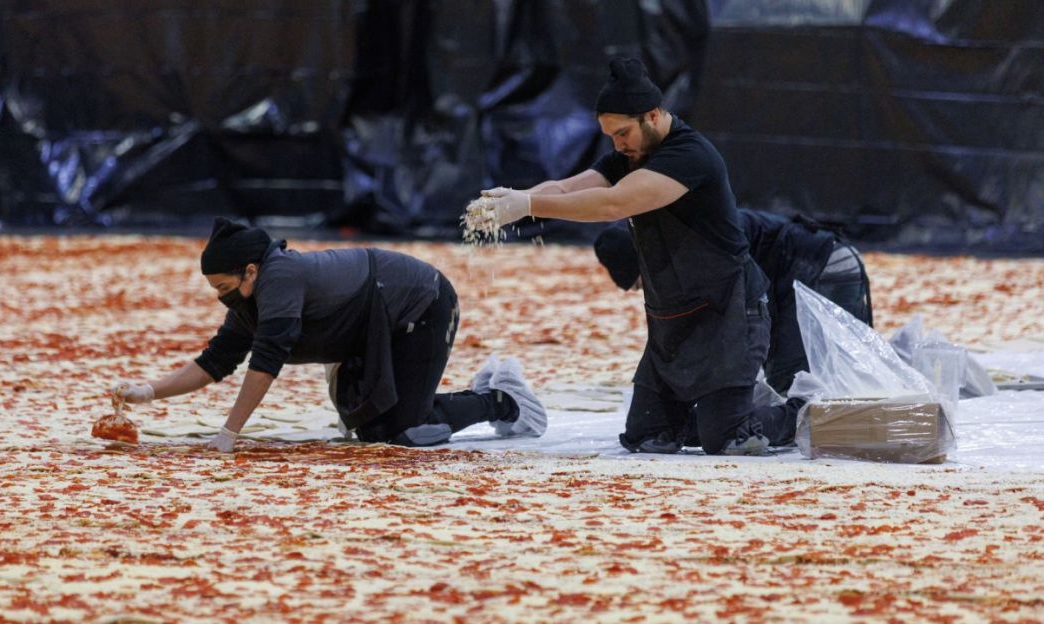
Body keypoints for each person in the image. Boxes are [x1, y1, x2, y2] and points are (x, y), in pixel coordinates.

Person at [466, 57, 789, 456]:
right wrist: (512, 199)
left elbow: (612, 204)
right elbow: (569, 190)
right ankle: (717, 410)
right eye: (610, 136)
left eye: (622, 133)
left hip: (729, 311)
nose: (617, 145)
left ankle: (795, 411)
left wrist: (529, 205)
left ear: (652, 116)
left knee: (729, 439)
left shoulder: (690, 155)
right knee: (647, 437)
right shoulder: (631, 155)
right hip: (673, 317)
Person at [111, 217, 546, 452]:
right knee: (372, 428)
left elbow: (266, 362)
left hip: (423, 306)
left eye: (224, 288)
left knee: (407, 431)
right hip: (371, 328)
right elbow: (216, 362)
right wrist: (147, 392)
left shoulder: (278, 278)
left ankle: (502, 401)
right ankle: (475, 397)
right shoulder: (247, 298)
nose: (222, 300)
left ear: (250, 270)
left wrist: (230, 432)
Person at [595, 208, 873, 395]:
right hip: (816, 265)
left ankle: (852, 428)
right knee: (804, 376)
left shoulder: (692, 247)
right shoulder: (677, 233)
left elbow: (733, 313)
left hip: (822, 267)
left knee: (796, 382)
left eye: (643, 283)